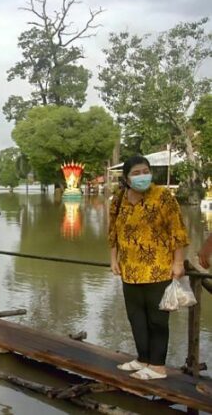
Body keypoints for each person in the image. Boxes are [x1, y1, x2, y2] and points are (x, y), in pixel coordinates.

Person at [109, 155, 187, 380]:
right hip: (129, 269)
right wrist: (114, 258)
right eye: (136, 173)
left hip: (158, 268)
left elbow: (177, 231)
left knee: (157, 320)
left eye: (145, 171)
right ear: (126, 178)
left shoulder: (163, 196)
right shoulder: (119, 198)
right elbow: (113, 230)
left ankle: (158, 367)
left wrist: (178, 261)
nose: (142, 176)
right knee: (136, 317)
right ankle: (142, 359)